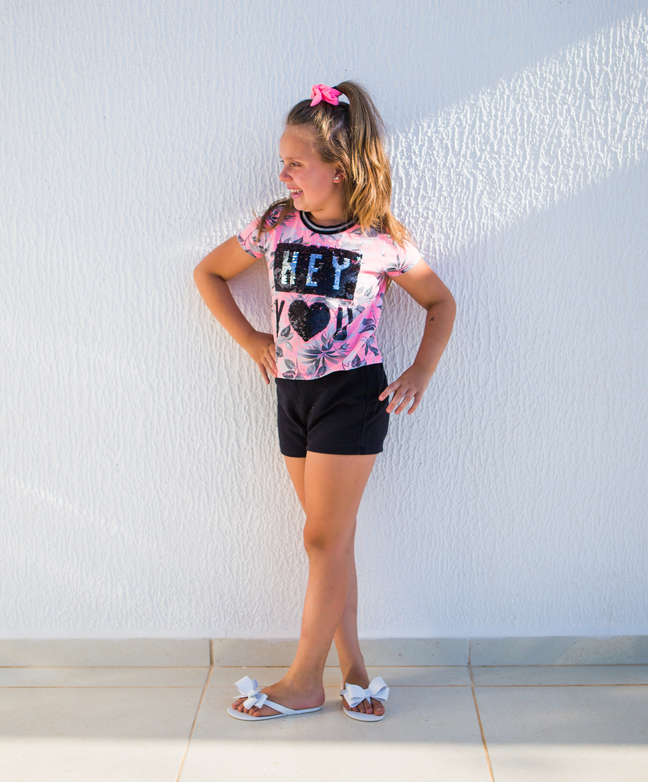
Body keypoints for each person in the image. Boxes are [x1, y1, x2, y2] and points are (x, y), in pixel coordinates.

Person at [193, 82, 456, 722]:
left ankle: (304, 681)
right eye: (282, 162)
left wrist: (421, 370)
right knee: (330, 542)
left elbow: (440, 301)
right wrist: (252, 339)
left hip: (352, 395)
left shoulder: (380, 239)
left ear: (338, 168)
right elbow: (209, 272)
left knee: (321, 540)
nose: (283, 175)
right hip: (292, 394)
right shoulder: (275, 225)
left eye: (295, 163)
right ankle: (355, 671)